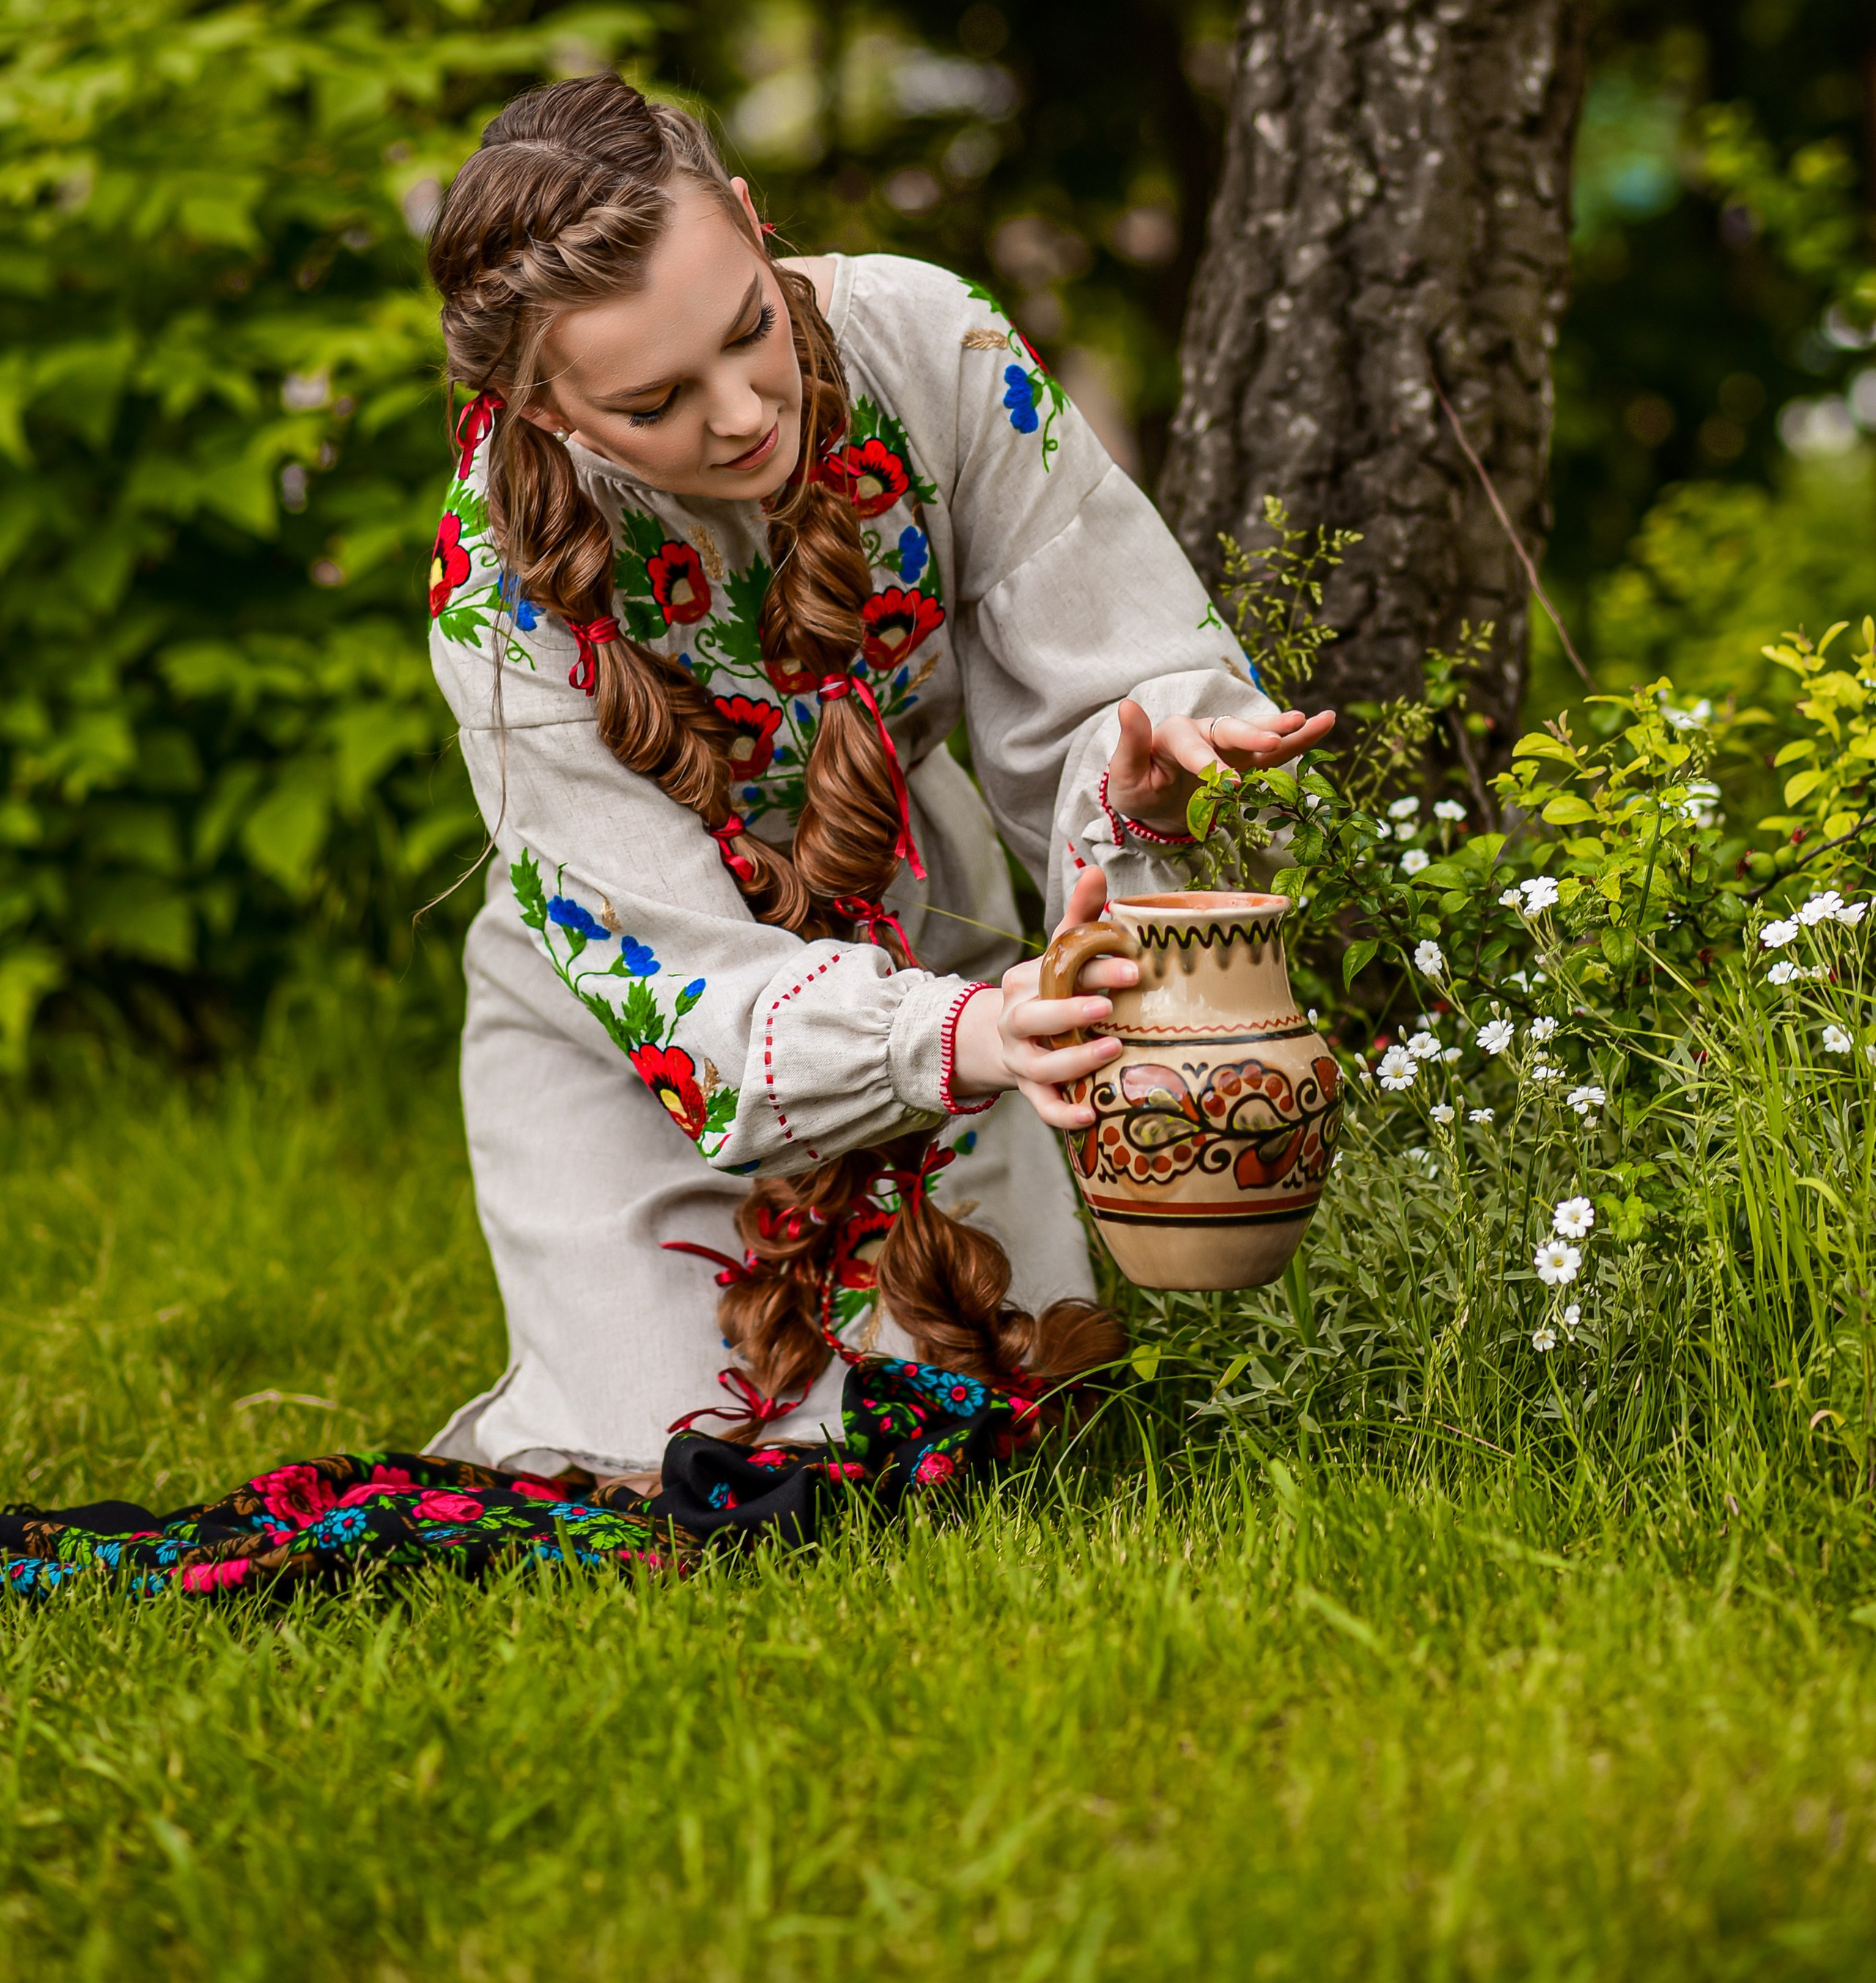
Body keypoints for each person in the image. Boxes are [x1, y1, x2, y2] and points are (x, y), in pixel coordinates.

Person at [419, 75, 1334, 1492]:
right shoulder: (497, 591)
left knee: (996, 1436)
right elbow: (672, 984)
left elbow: (1099, 663)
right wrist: (962, 1037)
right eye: (654, 399)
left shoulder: (932, 343)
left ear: (746, 218)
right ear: (536, 403)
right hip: (637, 1024)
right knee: (677, 1467)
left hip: (929, 925)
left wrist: (1142, 775)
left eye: (748, 331)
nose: (737, 416)